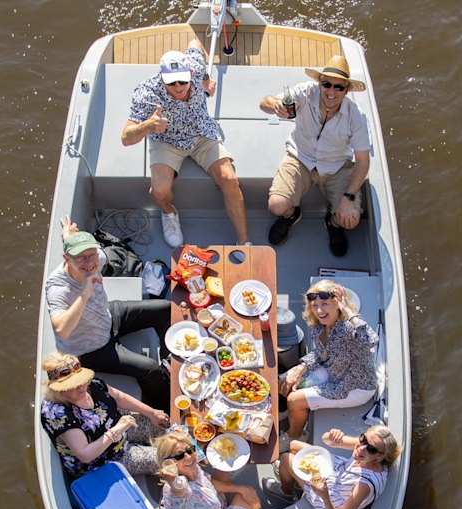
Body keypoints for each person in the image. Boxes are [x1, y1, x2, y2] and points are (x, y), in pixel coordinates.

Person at [121, 41, 250, 247]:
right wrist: (148, 125)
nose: (178, 87)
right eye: (171, 83)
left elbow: (196, 43)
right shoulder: (146, 93)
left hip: (201, 134)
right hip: (167, 141)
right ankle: (169, 213)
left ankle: (244, 242)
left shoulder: (197, 66)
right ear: (161, 78)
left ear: (191, 72)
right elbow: (126, 138)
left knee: (230, 179)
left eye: (182, 80)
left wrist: (207, 80)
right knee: (159, 191)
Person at [45, 226, 171, 410]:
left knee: (165, 309)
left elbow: (85, 253)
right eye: (80, 257)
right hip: (91, 349)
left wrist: (71, 237)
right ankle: (163, 407)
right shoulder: (58, 288)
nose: (88, 262)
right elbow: (62, 331)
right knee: (151, 369)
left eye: (91, 254)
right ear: (66, 259)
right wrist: (85, 293)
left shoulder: (97, 258)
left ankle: (169, 362)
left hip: (109, 316)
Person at [259, 55, 369, 256]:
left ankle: (333, 223)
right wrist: (275, 105)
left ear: (347, 90)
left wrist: (349, 196)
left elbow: (362, 161)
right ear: (319, 83)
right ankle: (291, 216)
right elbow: (264, 102)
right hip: (300, 157)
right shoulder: (304, 93)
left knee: (350, 219)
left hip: (337, 167)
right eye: (327, 84)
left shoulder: (356, 116)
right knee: (276, 205)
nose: (331, 91)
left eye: (339, 87)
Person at [263, 427, 401, 509]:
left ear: (379, 457)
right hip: (339, 473)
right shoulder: (364, 449)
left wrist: (325, 496)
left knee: (286, 458)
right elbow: (329, 441)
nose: (361, 447)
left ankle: (286, 492)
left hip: (333, 498)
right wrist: (331, 436)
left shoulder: (363, 486)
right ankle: (292, 476)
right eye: (363, 438)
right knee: (294, 445)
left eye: (370, 449)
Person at [278, 279, 378, 451]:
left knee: (295, 399)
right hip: (333, 371)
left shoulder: (349, 328)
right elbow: (321, 353)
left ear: (337, 304)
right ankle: (291, 411)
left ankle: (296, 434)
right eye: (315, 305)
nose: (319, 310)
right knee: (285, 380)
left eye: (325, 304)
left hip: (352, 387)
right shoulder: (319, 326)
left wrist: (347, 310)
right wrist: (300, 369)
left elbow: (371, 340)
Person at [40, 352, 170, 479]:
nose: (82, 387)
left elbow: (118, 397)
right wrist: (118, 429)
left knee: (166, 429)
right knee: (170, 458)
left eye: (81, 380)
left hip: (119, 425)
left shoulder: (88, 384)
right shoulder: (57, 414)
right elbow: (85, 454)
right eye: (73, 385)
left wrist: (151, 413)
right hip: (106, 458)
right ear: (58, 388)